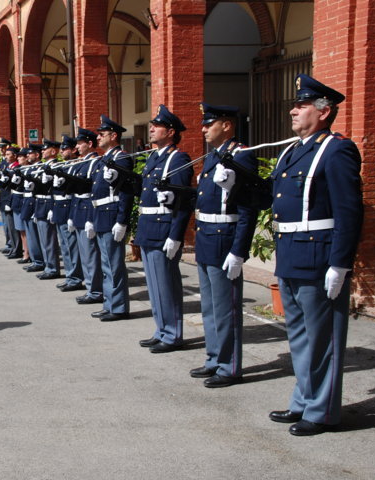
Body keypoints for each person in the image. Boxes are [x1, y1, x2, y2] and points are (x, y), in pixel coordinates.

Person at [267, 74, 363, 436]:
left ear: (323, 112)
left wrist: (340, 263)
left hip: (319, 257)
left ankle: (322, 412)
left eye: (301, 105)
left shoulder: (336, 150)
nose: (293, 110)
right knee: (299, 337)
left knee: (324, 339)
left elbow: (349, 211)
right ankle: (303, 401)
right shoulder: (293, 150)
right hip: (291, 255)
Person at [188, 103, 258, 387]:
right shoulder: (215, 156)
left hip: (224, 239)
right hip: (207, 237)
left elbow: (248, 207)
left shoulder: (240, 155)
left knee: (225, 307)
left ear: (226, 125)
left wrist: (239, 251)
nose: (203, 129)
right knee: (209, 306)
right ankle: (214, 358)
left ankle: (229, 366)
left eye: (209, 123)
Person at [134, 105, 193, 353]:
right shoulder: (154, 157)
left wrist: (175, 236)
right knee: (154, 285)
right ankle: (161, 329)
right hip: (148, 227)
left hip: (163, 228)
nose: (151, 129)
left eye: (156, 126)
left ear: (170, 132)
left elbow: (183, 202)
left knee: (166, 284)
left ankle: (172, 333)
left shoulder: (177, 158)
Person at [88, 115, 134, 322]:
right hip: (100, 215)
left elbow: (126, 192)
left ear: (114, 136)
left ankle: (119, 307)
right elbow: (95, 192)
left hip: (111, 215)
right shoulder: (104, 159)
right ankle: (109, 304)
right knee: (106, 264)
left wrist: (122, 220)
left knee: (114, 265)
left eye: (102, 134)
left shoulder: (122, 158)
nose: (99, 138)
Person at [70, 128, 104, 305]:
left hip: (87, 212)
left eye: (79, 143)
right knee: (84, 253)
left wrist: (91, 218)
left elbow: (93, 193)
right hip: (78, 211)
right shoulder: (82, 163)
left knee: (91, 254)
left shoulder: (95, 163)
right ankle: (91, 288)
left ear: (89, 144)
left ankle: (96, 290)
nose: (77, 146)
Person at [52, 134, 84, 292]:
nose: (62, 151)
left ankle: (76, 277)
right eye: (61, 149)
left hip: (69, 207)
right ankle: (70, 276)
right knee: (64, 246)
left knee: (72, 246)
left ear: (73, 150)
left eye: (65, 149)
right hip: (60, 208)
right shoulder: (64, 165)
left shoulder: (77, 164)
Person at [32, 138, 61, 280]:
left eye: (45, 149)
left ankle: (53, 268)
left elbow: (53, 190)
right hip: (40, 204)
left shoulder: (56, 166)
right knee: (44, 239)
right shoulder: (43, 166)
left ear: (53, 151)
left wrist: (51, 208)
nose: (42, 151)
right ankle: (48, 266)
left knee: (49, 240)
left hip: (48, 204)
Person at [20, 144, 46, 273]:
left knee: (36, 235)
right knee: (30, 233)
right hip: (27, 201)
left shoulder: (41, 168)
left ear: (37, 155)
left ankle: (39, 261)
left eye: (30, 154)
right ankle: (36, 260)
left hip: (35, 201)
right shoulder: (29, 168)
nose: (28, 156)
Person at [0, 138, 16, 256]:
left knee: (10, 224)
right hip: (3, 194)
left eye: (3, 147)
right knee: (5, 223)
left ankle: (12, 244)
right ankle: (8, 243)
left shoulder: (10, 162)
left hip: (9, 194)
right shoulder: (3, 162)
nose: (1, 149)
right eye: (0, 147)